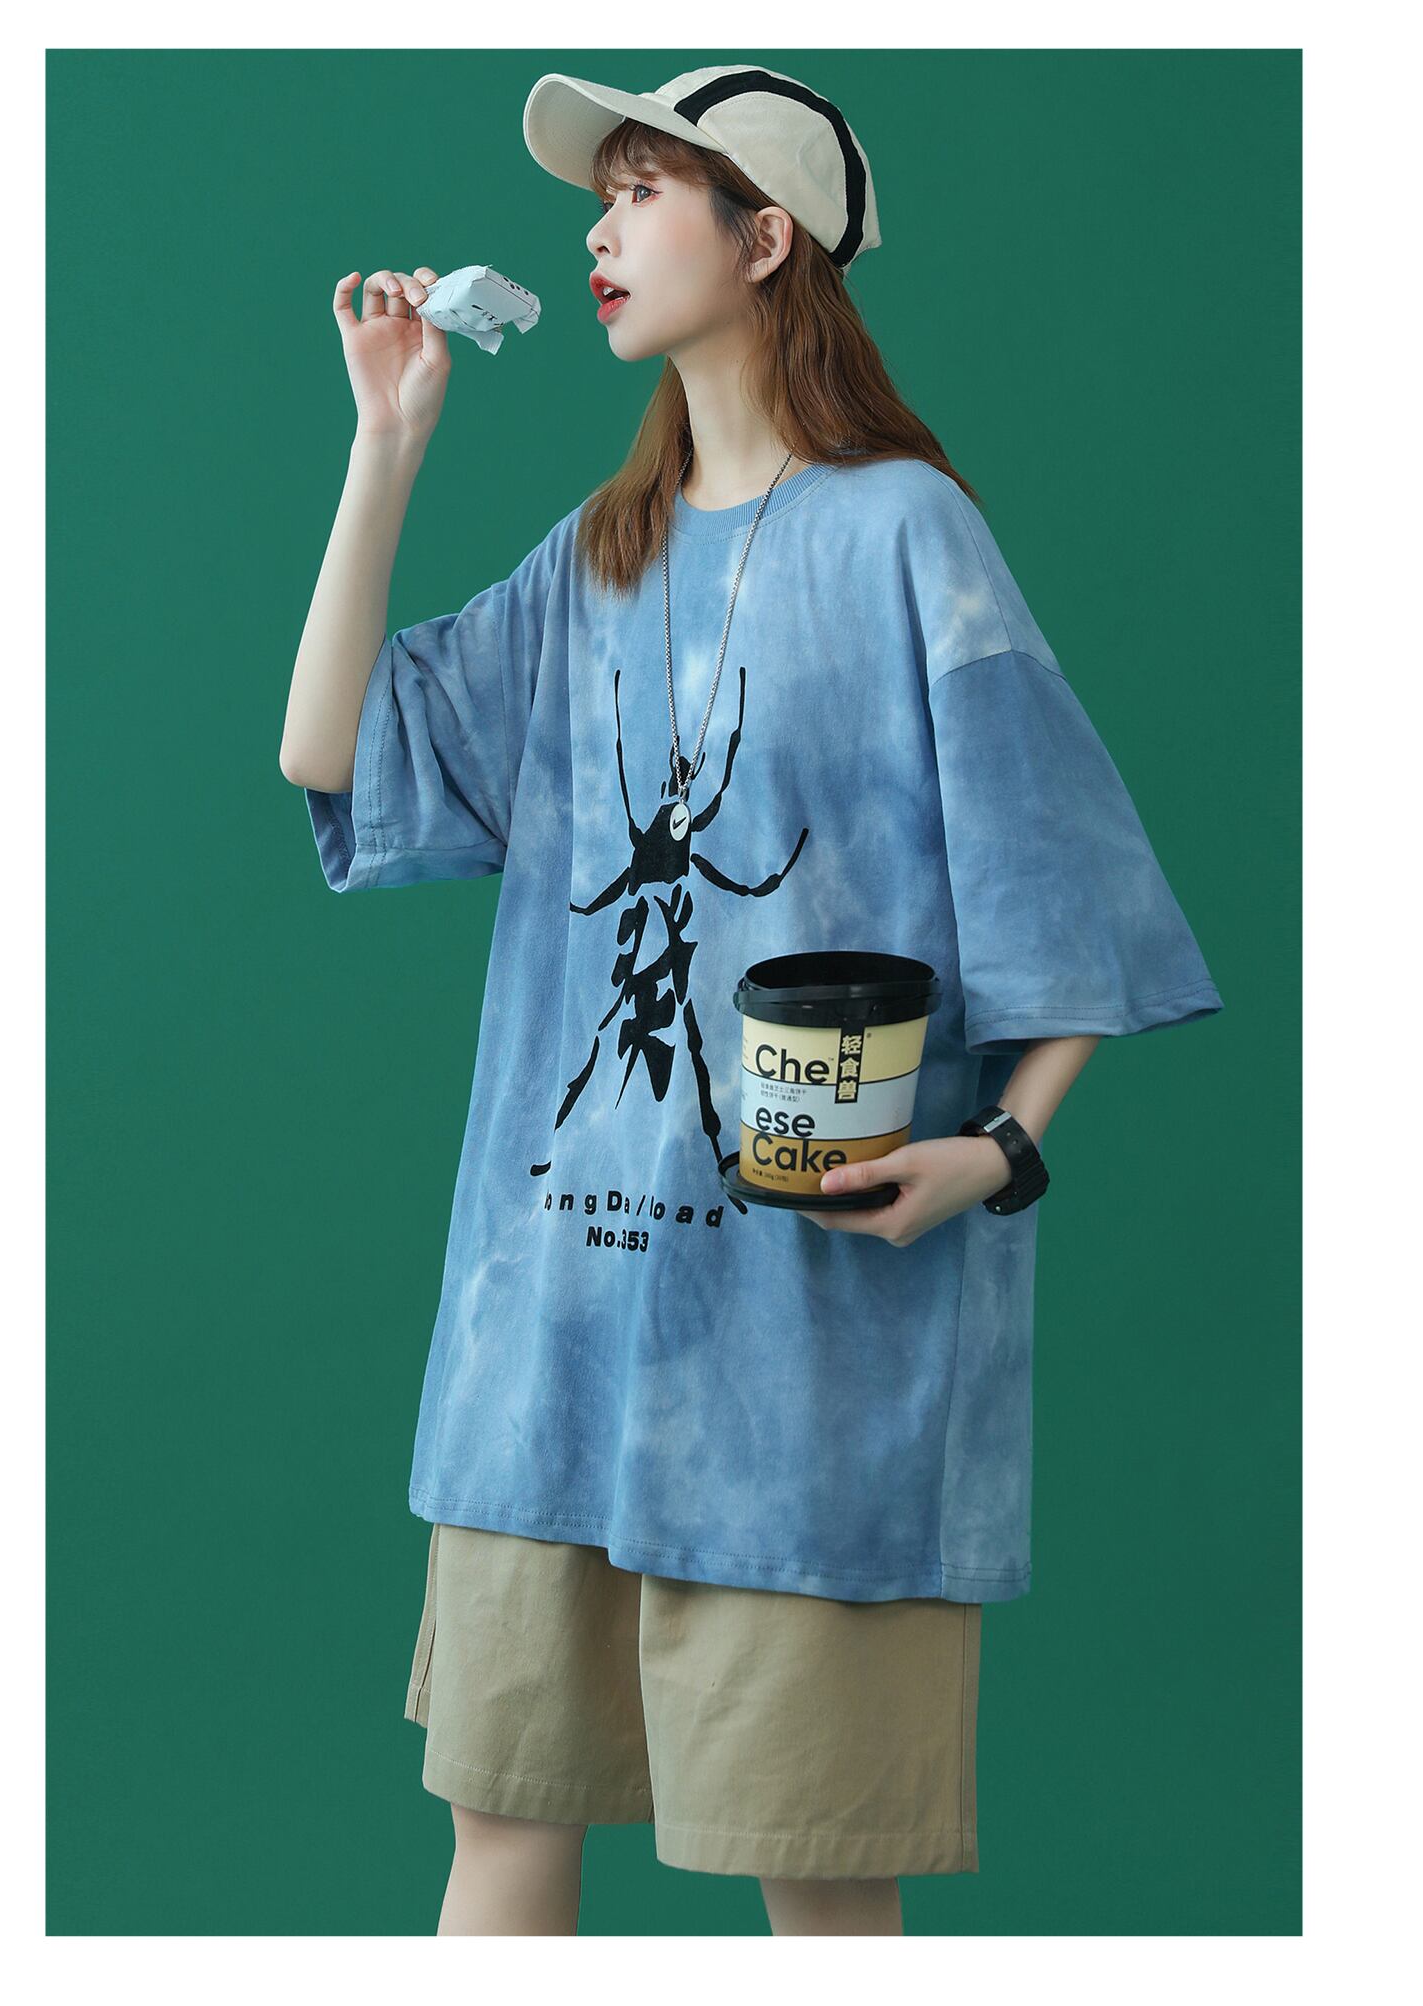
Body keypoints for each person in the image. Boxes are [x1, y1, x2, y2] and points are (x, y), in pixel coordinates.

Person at [279, 63, 1225, 1937]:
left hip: (809, 1366)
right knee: (501, 1839)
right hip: (549, 1344)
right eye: (602, 196)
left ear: (767, 236)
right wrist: (386, 444)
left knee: (819, 1882)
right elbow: (331, 749)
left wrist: (998, 1151)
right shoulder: (598, 555)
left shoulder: (908, 538)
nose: (598, 227)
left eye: (643, 190)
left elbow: (1077, 896)